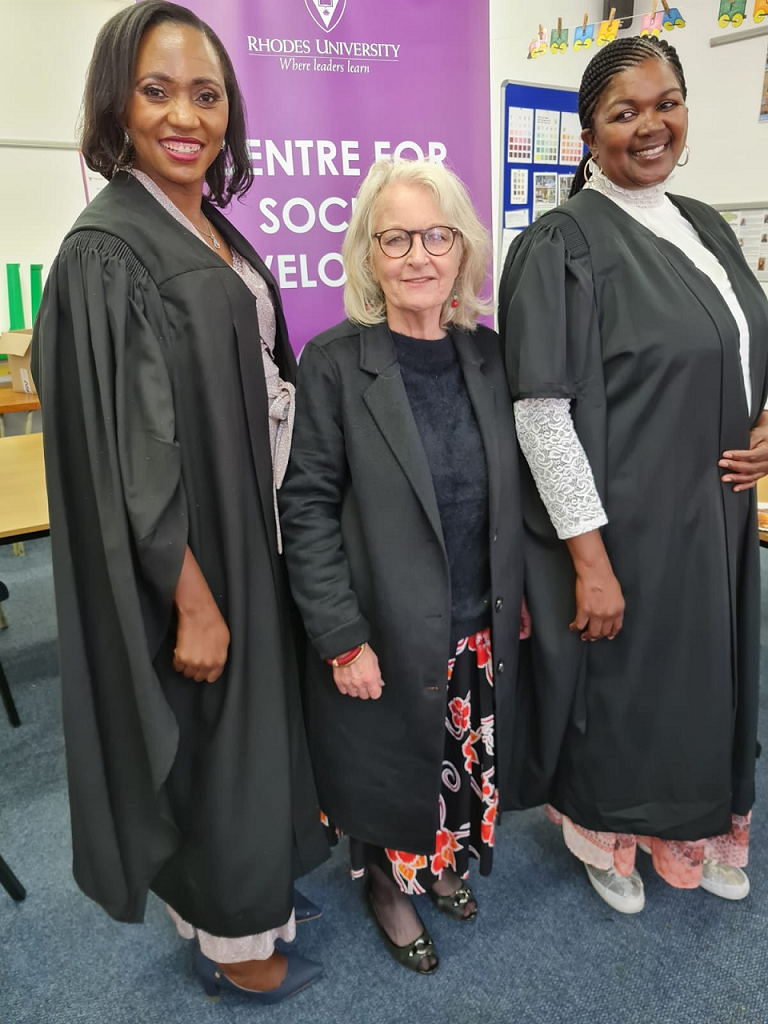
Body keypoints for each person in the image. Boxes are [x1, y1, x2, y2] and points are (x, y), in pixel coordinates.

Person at [31, 1, 328, 1001]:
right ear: (117, 99)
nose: (184, 114)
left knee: (256, 728)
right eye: (156, 90)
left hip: (256, 526)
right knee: (214, 735)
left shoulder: (203, 220)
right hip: (195, 552)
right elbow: (130, 459)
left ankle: (260, 887)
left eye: (205, 93)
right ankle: (233, 931)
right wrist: (191, 596)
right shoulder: (107, 247)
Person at [499, 36, 768, 914]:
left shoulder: (708, 225)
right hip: (630, 525)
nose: (651, 126)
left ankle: (692, 830)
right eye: (625, 112)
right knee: (628, 691)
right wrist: (590, 558)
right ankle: (606, 834)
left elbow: (745, 349)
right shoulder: (562, 243)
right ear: (587, 133)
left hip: (718, 519)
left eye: (667, 104)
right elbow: (539, 413)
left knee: (710, 683)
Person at [279, 159, 528, 973]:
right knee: (389, 765)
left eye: (437, 236)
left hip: (474, 622)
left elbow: (508, 489)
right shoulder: (334, 363)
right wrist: (342, 636)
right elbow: (306, 505)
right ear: (369, 255)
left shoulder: (490, 357)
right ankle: (387, 880)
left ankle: (445, 857)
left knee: (458, 760)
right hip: (383, 624)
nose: (419, 255)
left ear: (461, 251)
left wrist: (511, 591)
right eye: (397, 238)